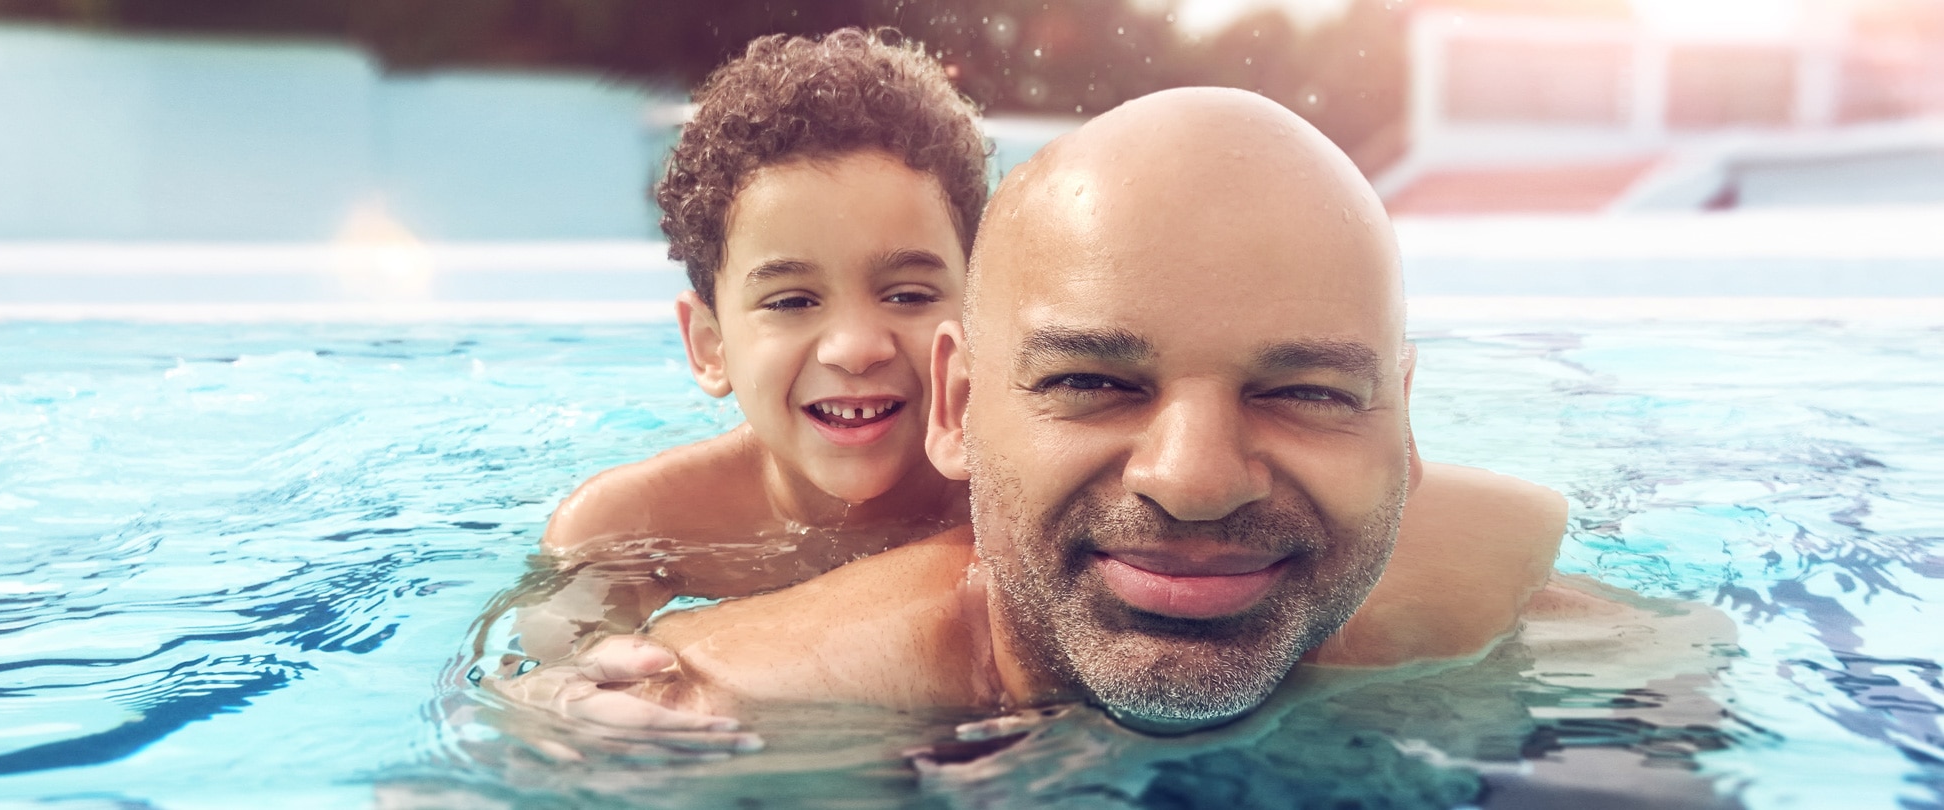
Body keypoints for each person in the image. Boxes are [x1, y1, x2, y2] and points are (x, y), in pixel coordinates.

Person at [521, 87, 1578, 737]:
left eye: (1304, 390)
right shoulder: (651, 549)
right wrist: (558, 693)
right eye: (1090, 382)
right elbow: (551, 668)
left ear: (1403, 427)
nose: (1193, 478)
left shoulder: (1504, 576)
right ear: (962, 406)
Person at [522, 28, 989, 662]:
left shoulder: (1007, 503)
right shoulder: (630, 528)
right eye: (792, 301)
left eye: (907, 295)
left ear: (983, 311)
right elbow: (540, 687)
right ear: (710, 347)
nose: (855, 349)